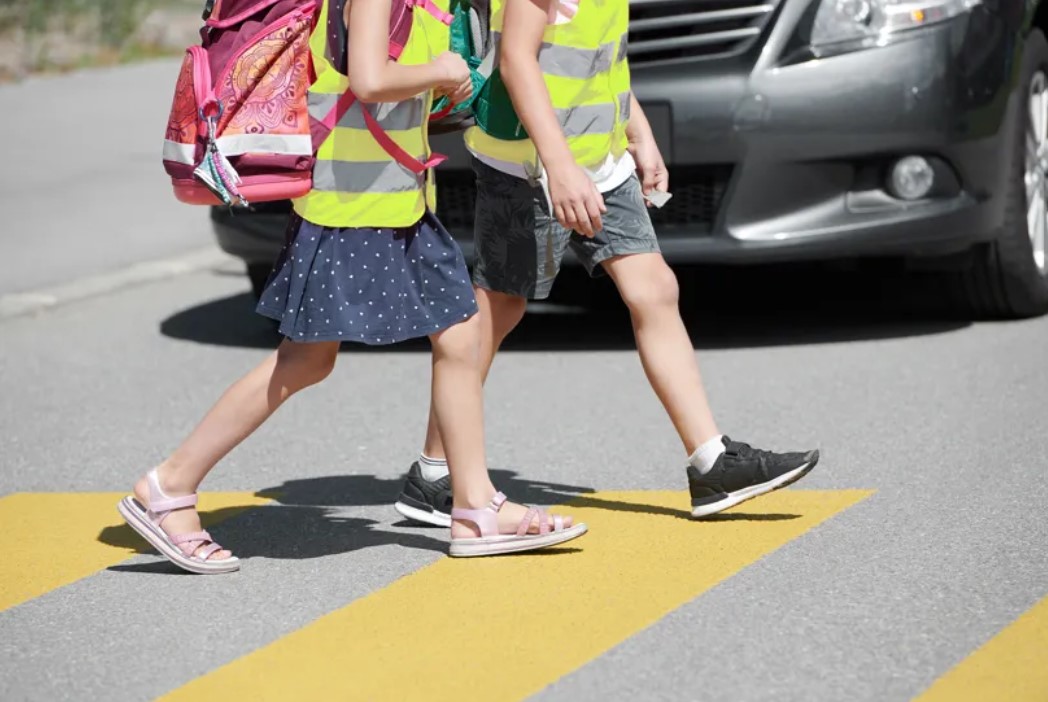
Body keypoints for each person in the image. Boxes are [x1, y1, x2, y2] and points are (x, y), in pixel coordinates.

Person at [118, 0, 586, 573]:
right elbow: (369, 79)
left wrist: (443, 89)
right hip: (353, 206)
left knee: (455, 339)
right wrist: (442, 70)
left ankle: (473, 510)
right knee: (305, 362)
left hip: (394, 200)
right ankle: (169, 484)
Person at [393, 0, 819, 527]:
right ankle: (433, 475)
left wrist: (636, 130)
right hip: (529, 166)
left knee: (655, 289)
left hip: (599, 157)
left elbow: (597, 57)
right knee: (498, 309)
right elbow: (517, 62)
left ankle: (712, 463)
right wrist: (560, 167)